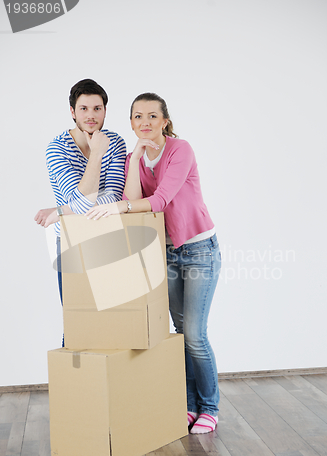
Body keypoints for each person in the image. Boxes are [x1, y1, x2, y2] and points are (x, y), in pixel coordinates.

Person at [86, 93, 221, 434]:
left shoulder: (181, 150)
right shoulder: (140, 156)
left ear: (164, 121)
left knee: (195, 334)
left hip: (199, 249)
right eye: (136, 117)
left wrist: (120, 208)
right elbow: (133, 199)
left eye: (151, 116)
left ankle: (210, 407)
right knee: (179, 332)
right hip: (167, 251)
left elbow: (158, 202)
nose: (144, 122)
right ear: (131, 122)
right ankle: (189, 406)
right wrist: (134, 158)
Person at [34, 79, 126, 322]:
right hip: (71, 243)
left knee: (113, 322)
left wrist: (60, 210)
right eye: (84, 109)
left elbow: (114, 197)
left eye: (97, 108)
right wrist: (96, 154)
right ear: (73, 112)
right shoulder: (57, 148)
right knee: (79, 323)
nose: (91, 115)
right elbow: (83, 203)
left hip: (110, 238)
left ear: (105, 110)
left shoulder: (115, 142)